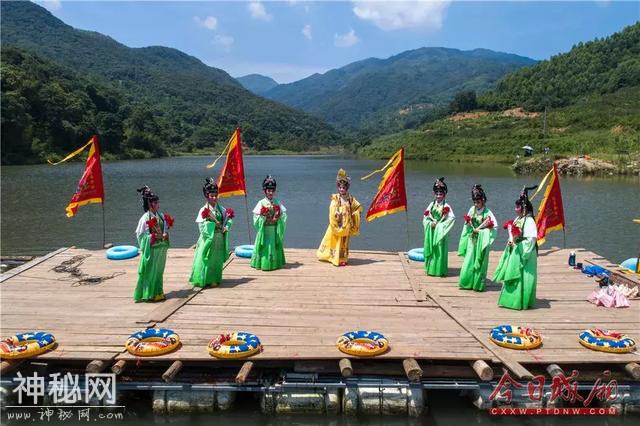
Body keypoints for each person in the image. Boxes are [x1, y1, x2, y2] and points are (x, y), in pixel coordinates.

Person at [493, 186, 539, 310]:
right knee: (512, 273)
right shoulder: (518, 219)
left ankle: (520, 301)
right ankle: (510, 300)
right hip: (516, 249)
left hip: (525, 252)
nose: (515, 209)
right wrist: (511, 241)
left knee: (523, 276)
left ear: (524, 208)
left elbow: (531, 239)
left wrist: (519, 246)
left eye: (518, 207)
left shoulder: (529, 221)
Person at [189, 178, 234, 288]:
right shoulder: (203, 210)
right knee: (206, 259)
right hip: (208, 239)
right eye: (211, 195)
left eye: (215, 195)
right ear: (207, 196)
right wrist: (213, 227)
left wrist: (226, 227)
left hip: (219, 238)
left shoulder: (221, 209)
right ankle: (204, 279)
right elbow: (201, 226)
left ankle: (214, 278)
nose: (214, 198)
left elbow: (228, 221)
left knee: (216, 260)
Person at [134, 186, 173, 302]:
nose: (158, 204)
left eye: (158, 202)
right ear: (150, 204)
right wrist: (151, 237)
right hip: (151, 249)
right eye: (156, 202)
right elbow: (140, 235)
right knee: (151, 271)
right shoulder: (145, 218)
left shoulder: (160, 216)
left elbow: (165, 229)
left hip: (160, 248)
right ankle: (149, 293)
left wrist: (165, 235)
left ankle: (158, 291)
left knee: (159, 271)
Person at [317, 169, 362, 266]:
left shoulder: (350, 198)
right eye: (340, 187)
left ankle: (342, 259)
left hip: (346, 225)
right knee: (335, 241)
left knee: (344, 243)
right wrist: (338, 213)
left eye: (343, 188)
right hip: (337, 223)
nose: (341, 189)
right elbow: (332, 209)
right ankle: (333, 257)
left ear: (347, 188)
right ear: (338, 188)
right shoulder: (336, 198)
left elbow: (358, 207)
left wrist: (355, 214)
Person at [458, 184, 497, 291]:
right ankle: (466, 282)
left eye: (478, 202)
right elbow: (467, 224)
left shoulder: (488, 213)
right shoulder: (472, 209)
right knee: (468, 261)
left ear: (483, 201)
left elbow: (494, 227)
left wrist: (480, 231)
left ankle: (477, 285)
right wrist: (470, 229)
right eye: (474, 201)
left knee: (480, 263)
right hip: (472, 240)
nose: (476, 204)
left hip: (481, 242)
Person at [250, 176, 287, 271]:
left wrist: (278, 217)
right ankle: (263, 263)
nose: (271, 192)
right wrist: (264, 218)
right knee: (265, 247)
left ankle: (275, 263)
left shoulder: (277, 202)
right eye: (268, 190)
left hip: (274, 230)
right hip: (264, 231)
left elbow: (284, 215)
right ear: (265, 191)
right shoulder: (261, 203)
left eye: (272, 190)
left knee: (274, 245)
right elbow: (256, 217)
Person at [423, 177, 455, 277]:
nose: (438, 196)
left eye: (440, 194)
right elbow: (425, 216)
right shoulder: (431, 204)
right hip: (432, 231)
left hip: (441, 233)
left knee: (439, 250)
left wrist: (440, 225)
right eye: (436, 194)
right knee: (432, 249)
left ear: (444, 194)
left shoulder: (447, 206)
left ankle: (439, 271)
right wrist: (429, 223)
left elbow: (452, 218)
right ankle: (430, 269)